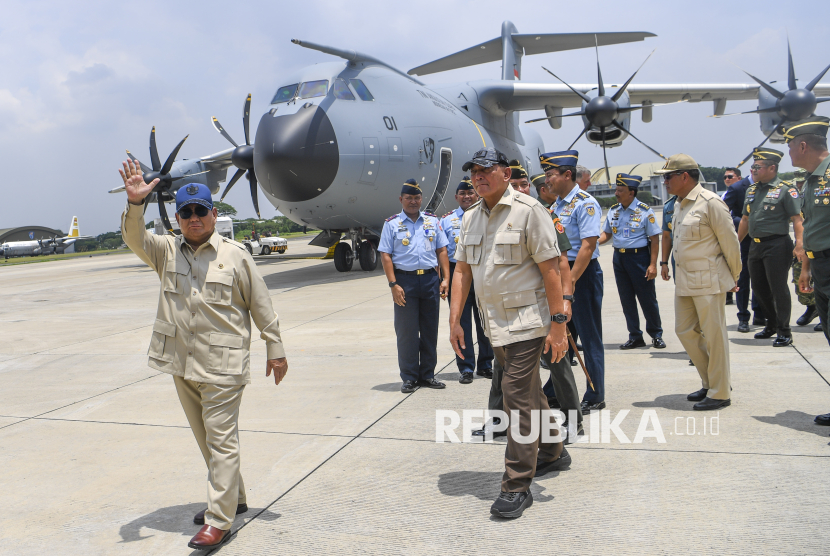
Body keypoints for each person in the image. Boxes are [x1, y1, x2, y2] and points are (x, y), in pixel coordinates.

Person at [118, 162, 288, 550]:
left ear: (214, 214)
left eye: (200, 211)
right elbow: (133, 237)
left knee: (221, 440)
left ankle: (219, 520)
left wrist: (275, 349)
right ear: (177, 218)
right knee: (207, 440)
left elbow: (261, 305)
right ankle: (234, 498)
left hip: (224, 366)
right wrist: (135, 203)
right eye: (186, 212)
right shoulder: (164, 251)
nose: (193, 218)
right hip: (181, 362)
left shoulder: (236, 255)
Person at [450, 147, 570, 519]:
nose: (478, 177)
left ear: (506, 173)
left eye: (486, 170)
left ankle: (516, 485)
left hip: (528, 323)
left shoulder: (529, 211)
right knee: (529, 391)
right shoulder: (470, 217)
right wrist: (455, 321)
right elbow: (461, 271)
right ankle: (553, 450)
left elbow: (551, 269)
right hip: (494, 325)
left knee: (515, 396)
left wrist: (558, 324)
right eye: (474, 172)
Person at [658, 154, 741, 411]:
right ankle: (711, 382)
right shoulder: (679, 204)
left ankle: (719, 392)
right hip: (685, 280)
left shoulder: (710, 203)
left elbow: (730, 243)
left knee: (715, 337)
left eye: (668, 177)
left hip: (708, 281)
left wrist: (734, 277)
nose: (664, 182)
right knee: (684, 331)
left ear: (684, 176)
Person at [545, 150, 606, 413]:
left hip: (582, 274)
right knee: (562, 334)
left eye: (551, 175)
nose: (547, 180)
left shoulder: (585, 203)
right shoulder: (555, 206)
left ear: (567, 175)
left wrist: (569, 285)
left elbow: (587, 246)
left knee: (589, 336)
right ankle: (554, 391)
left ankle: (595, 393)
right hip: (560, 274)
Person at [379, 179, 450, 393]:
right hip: (405, 282)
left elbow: (442, 250)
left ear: (421, 199)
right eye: (409, 198)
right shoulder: (391, 224)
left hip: (429, 280)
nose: (413, 201)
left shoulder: (432, 221)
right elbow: (386, 255)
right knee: (407, 332)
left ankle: (427, 375)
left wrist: (446, 278)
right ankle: (409, 377)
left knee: (430, 330)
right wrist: (393, 284)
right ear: (401, 199)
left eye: (417, 198)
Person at [783, 116, 830, 427]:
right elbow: (814, 228)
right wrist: (807, 268)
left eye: (789, 146)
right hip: (821, 266)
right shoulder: (812, 180)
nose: (788, 152)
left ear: (802, 146)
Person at [737, 148, 803, 346]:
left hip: (777, 245)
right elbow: (745, 219)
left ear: (772, 168)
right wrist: (734, 244)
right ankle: (771, 324)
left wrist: (800, 244)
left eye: (757, 167)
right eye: (752, 167)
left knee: (778, 288)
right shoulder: (751, 190)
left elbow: (797, 219)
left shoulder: (786, 190)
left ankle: (784, 330)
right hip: (755, 246)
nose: (753, 170)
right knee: (758, 288)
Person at [598, 173, 665, 349]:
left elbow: (654, 239)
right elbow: (607, 234)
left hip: (639, 258)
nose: (616, 193)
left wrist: (653, 264)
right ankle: (635, 336)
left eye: (620, 190)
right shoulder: (614, 210)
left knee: (647, 298)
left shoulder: (644, 211)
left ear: (631, 193)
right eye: (616, 190)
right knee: (626, 299)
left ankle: (656, 334)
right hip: (619, 258)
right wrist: (591, 242)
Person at [440, 177, 494, 383]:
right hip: (458, 273)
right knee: (460, 322)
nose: (467, 196)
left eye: (470, 193)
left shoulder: (487, 215)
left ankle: (486, 364)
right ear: (456, 197)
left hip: (481, 271)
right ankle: (466, 367)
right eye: (462, 193)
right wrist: (444, 279)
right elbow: (441, 252)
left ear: (477, 195)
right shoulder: (446, 220)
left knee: (485, 321)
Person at [722, 166, 765, 331]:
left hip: (764, 240)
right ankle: (743, 317)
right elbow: (724, 213)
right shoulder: (737, 188)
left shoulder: (768, 186)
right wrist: (743, 223)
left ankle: (759, 314)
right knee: (743, 280)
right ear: (751, 170)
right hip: (744, 241)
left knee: (760, 280)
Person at [790, 169, 821, 331]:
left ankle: (824, 314)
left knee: (823, 281)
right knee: (799, 278)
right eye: (798, 182)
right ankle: (812, 307)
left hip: (822, 244)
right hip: (804, 245)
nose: (800, 184)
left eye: (803, 181)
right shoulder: (796, 196)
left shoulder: (819, 192)